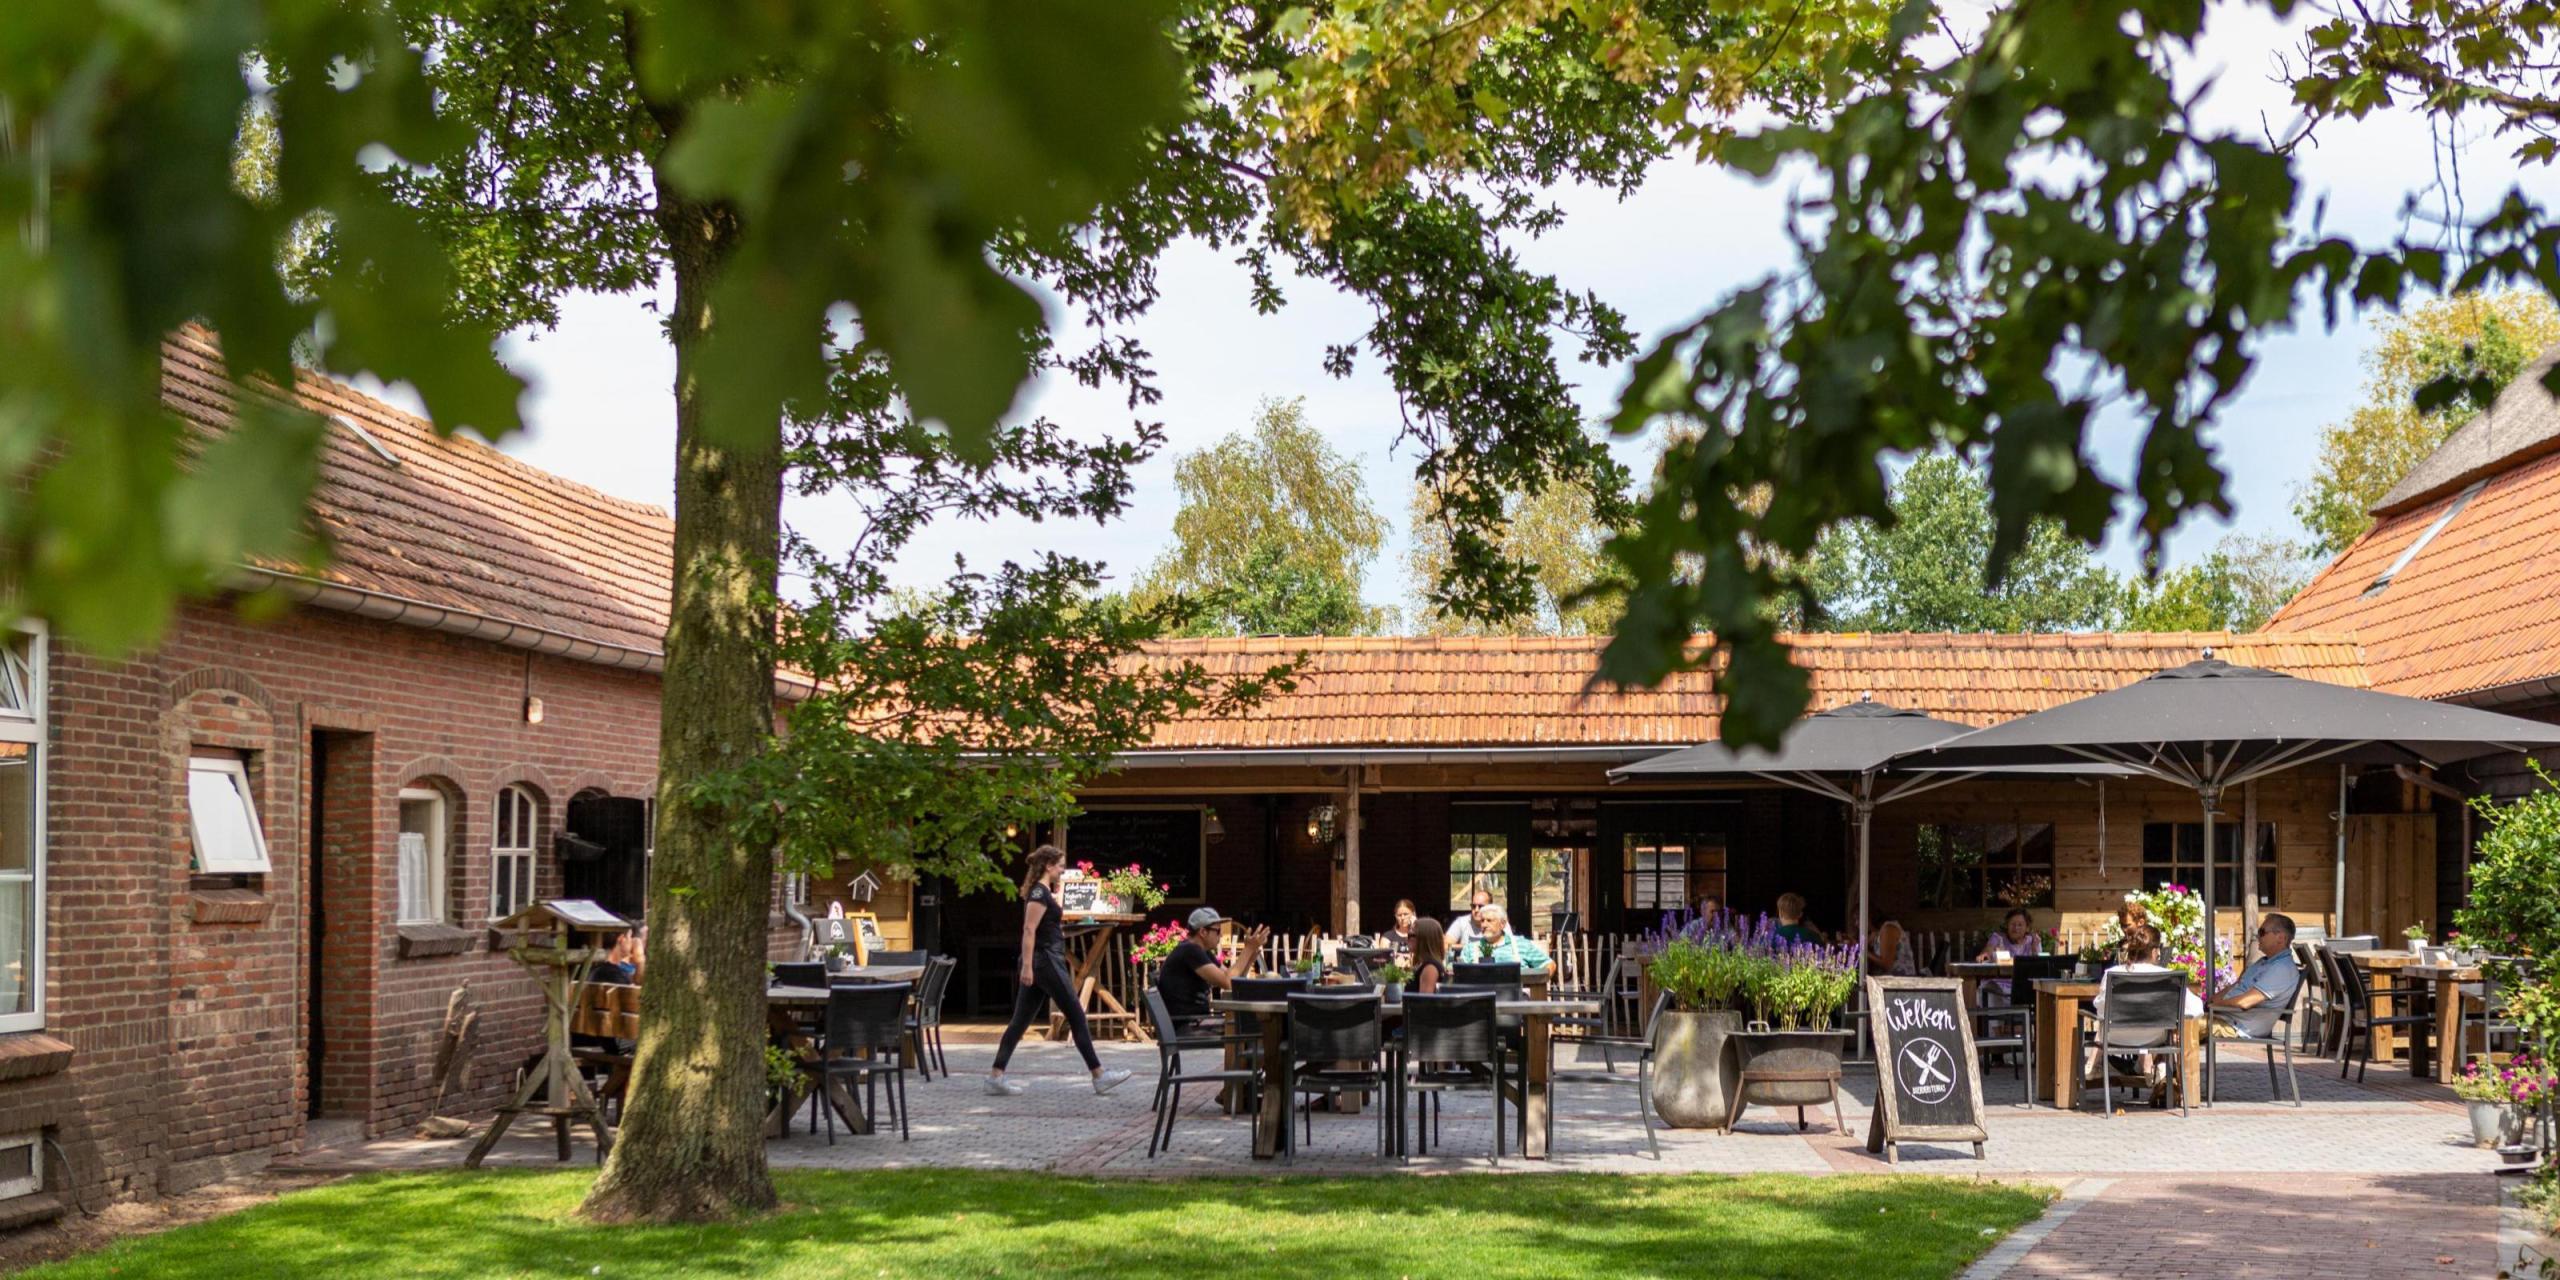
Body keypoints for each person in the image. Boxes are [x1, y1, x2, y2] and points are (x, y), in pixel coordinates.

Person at [987, 845, 1134, 1097]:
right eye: (1061, 866)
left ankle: (996, 1076)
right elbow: (1029, 930)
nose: (1064, 871)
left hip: (1043, 959)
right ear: (1048, 866)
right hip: (1044, 961)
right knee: (1076, 1014)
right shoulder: (1038, 893)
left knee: (1020, 1021)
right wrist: (1028, 966)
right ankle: (1099, 1075)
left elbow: (1047, 928)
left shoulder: (1044, 892)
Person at [2088, 925, 2205, 1099]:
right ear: (2156, 951)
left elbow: (2100, 1009)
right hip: (2155, 1039)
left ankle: (2092, 1068)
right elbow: (2196, 1009)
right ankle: (2163, 1072)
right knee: (2172, 1028)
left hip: (2115, 1038)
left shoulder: (2112, 973)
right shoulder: (2169, 976)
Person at [1153, 907, 1269, 1030]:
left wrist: (1249, 957)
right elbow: (1228, 982)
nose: (1222, 935)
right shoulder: (1190, 951)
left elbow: (1233, 980)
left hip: (1196, 1020)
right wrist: (1248, 949)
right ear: (1203, 932)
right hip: (1188, 1025)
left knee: (1251, 1023)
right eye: (1218, 931)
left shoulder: (1202, 951)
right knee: (1255, 1025)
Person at [2210, 912, 2302, 1038]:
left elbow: (2245, 1002)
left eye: (2262, 932)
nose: (2258, 936)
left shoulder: (2282, 969)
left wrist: (2213, 1006)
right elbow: (2236, 985)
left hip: (2237, 1026)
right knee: (2182, 1022)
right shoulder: (2264, 962)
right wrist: (2209, 1002)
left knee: (2185, 1027)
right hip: (2223, 1017)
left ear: (2281, 938)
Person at [1975, 908, 2041, 1004]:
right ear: (2007, 925)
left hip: (2022, 989)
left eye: (2020, 925)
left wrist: (2035, 947)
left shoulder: (2033, 941)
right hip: (1998, 986)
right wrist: (1985, 955)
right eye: (2012, 924)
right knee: (1990, 989)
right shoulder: (1998, 938)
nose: (2015, 928)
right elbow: (1988, 950)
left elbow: (2038, 966)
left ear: (2027, 927)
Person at [1461, 903, 1551, 970]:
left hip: (1515, 994)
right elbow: (1458, 973)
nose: (1484, 925)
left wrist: (1534, 986)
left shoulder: (1521, 945)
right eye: (1482, 921)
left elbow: (1549, 965)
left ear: (1502, 924)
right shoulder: (1470, 948)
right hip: (1481, 994)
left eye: (1489, 920)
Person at [1407, 917, 1449, 993]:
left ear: (1424, 939)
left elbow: (1424, 1002)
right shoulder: (1422, 964)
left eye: (1412, 935)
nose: (1408, 939)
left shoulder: (1430, 968)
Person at [1446, 886, 1493, 950]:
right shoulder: (1461, 922)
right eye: (1473, 906)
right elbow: (1446, 945)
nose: (1476, 910)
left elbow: (1510, 945)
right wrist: (1472, 948)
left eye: (1481, 906)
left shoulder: (1499, 922)